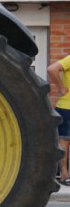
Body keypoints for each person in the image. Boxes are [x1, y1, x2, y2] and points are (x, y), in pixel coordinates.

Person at [46, 54, 70, 185]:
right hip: (67, 107)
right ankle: (64, 175)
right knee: (64, 140)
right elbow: (52, 69)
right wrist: (61, 88)